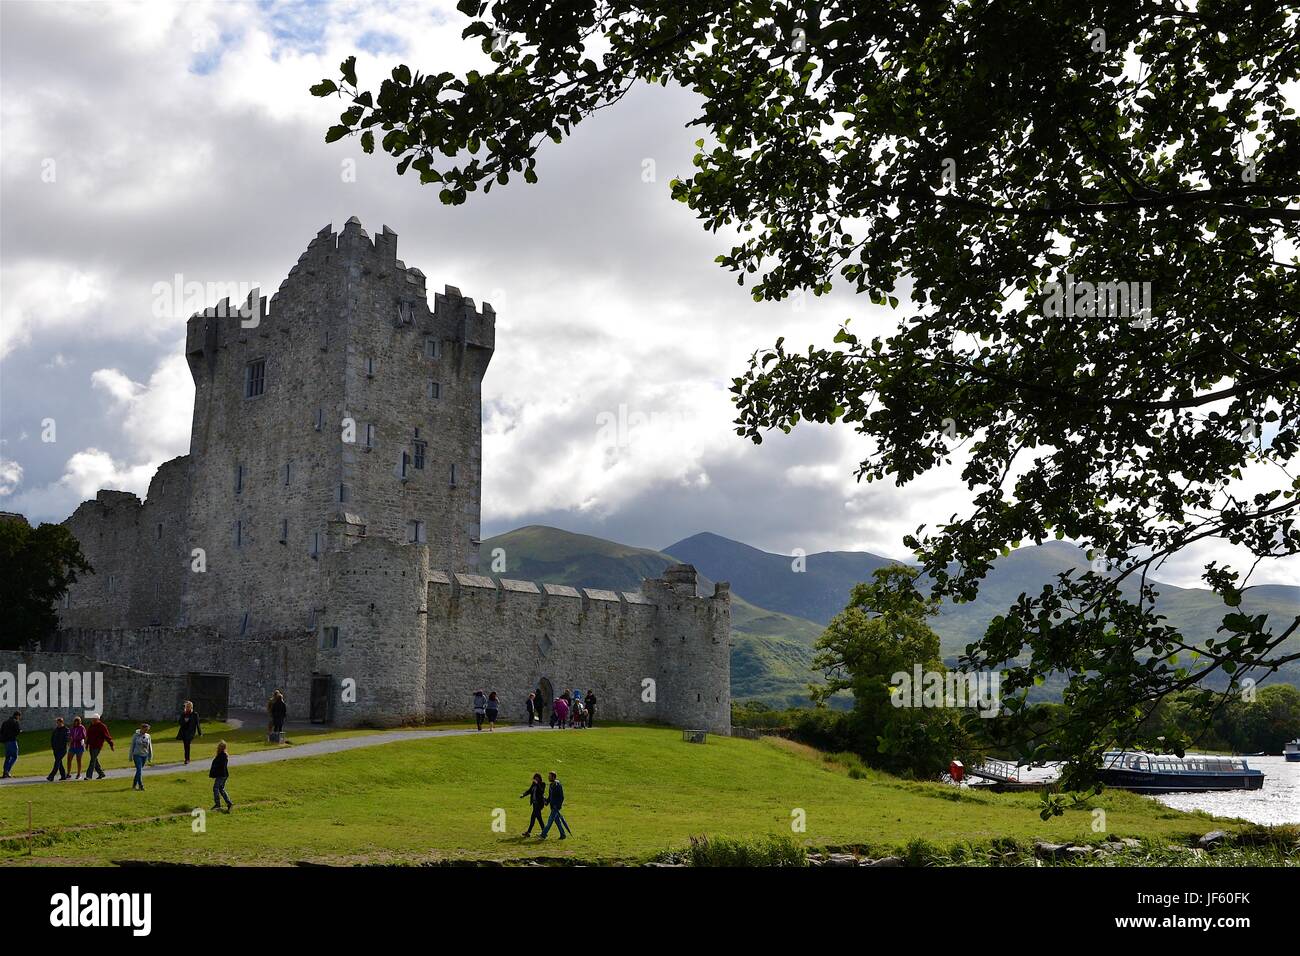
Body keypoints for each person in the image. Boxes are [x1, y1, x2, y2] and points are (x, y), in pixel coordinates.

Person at [539, 771, 570, 840]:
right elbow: (550, 797)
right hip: (552, 806)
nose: (548, 777)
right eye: (548, 776)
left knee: (550, 821)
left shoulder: (558, 785)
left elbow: (562, 797)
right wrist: (546, 801)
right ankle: (563, 834)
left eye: (550, 776)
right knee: (557, 821)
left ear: (553, 777)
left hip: (556, 807)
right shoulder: (551, 785)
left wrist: (558, 806)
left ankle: (543, 835)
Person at [85, 714, 114, 780]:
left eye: (94, 719)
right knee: (95, 760)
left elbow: (107, 736)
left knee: (92, 760)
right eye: (92, 719)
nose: (92, 721)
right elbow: (88, 735)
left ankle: (89, 776)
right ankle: (101, 774)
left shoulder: (102, 726)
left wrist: (111, 744)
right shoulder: (91, 726)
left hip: (97, 746)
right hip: (91, 745)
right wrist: (87, 744)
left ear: (98, 719)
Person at [519, 771, 546, 836]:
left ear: (540, 778)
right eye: (535, 778)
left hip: (539, 804)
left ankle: (528, 832)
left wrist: (537, 784)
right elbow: (529, 791)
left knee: (533, 817)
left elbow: (541, 792)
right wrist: (523, 794)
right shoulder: (533, 784)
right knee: (539, 818)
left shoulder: (542, 784)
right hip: (534, 804)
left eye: (537, 778)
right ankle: (544, 832)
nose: (536, 779)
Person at [209, 740, 233, 813]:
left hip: (221, 775)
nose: (218, 748)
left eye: (219, 747)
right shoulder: (221, 755)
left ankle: (218, 804)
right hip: (223, 775)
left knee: (215, 788)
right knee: (221, 789)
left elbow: (220, 766)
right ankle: (229, 803)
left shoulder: (223, 756)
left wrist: (215, 773)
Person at [177, 700, 202, 764]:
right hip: (184, 732)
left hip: (190, 732)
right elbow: (180, 722)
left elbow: (197, 724)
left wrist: (200, 733)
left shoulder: (195, 714)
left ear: (191, 707)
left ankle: (187, 759)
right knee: (186, 745)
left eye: (189, 707)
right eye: (186, 707)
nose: (187, 708)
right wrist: (185, 721)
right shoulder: (183, 714)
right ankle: (187, 758)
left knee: (187, 744)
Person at [129, 722, 153, 791]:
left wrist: (150, 756)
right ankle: (141, 786)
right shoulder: (135, 735)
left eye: (147, 730)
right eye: (145, 730)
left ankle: (134, 785)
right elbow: (132, 746)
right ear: (141, 729)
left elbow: (149, 746)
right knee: (139, 770)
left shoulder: (148, 736)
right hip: (137, 755)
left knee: (139, 771)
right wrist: (130, 756)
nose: (146, 731)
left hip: (144, 755)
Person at [47, 717, 71, 782]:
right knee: (59, 763)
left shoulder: (66, 730)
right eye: (57, 723)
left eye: (58, 722)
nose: (57, 724)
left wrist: (64, 744)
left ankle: (51, 776)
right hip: (56, 749)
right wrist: (53, 746)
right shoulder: (55, 730)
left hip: (62, 749)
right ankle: (63, 776)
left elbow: (67, 739)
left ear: (61, 722)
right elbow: (52, 739)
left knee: (57, 762)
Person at [0, 711, 20, 778]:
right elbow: (17, 731)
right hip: (12, 741)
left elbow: (1, 732)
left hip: (6, 742)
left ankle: (5, 772)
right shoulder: (15, 722)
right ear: (17, 716)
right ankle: (7, 771)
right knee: (15, 756)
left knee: (8, 757)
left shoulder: (5, 722)